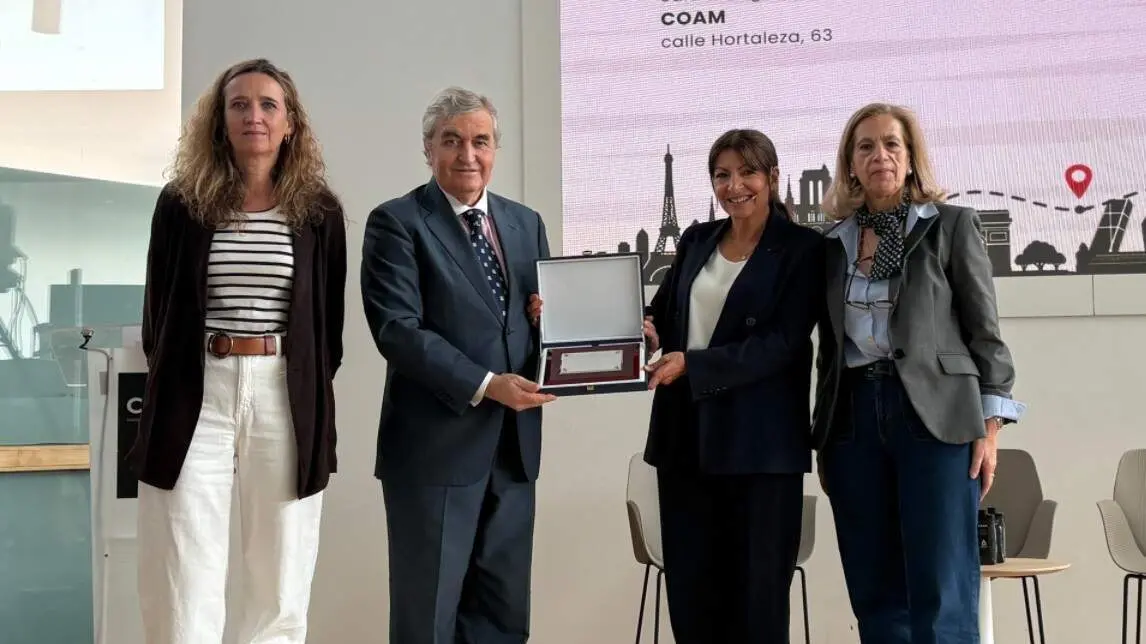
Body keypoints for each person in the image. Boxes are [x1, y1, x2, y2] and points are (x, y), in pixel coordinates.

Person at [134, 58, 346, 644]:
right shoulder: (182, 204)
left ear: (290, 124)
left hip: (283, 392)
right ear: (220, 122)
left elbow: (327, 329)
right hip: (195, 391)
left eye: (268, 105)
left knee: (279, 571)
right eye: (239, 105)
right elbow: (159, 315)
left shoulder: (318, 211)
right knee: (182, 563)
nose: (254, 115)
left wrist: (297, 385)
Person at [812, 102, 1027, 643]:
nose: (879, 155)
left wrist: (991, 425)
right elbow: (825, 347)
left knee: (943, 586)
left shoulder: (951, 226)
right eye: (866, 147)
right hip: (852, 421)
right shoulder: (831, 244)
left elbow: (986, 332)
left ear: (910, 159)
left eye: (891, 144)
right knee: (875, 589)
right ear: (850, 165)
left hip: (936, 419)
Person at [361, 86, 556, 644]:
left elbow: (529, 323)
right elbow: (398, 330)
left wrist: (574, 329)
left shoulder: (525, 224)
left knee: (502, 615)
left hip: (516, 450)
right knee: (429, 617)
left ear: (496, 149)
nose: (467, 155)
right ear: (428, 150)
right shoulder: (397, 222)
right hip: (434, 452)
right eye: (451, 142)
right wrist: (488, 385)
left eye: (480, 141)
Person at [639, 129, 826, 642]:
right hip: (685, 443)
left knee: (757, 604)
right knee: (693, 601)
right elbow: (663, 311)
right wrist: (641, 327)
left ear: (772, 177)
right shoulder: (698, 238)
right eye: (722, 175)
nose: (734, 185)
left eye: (747, 172)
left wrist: (694, 367)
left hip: (759, 449)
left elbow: (782, 344)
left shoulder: (803, 249)